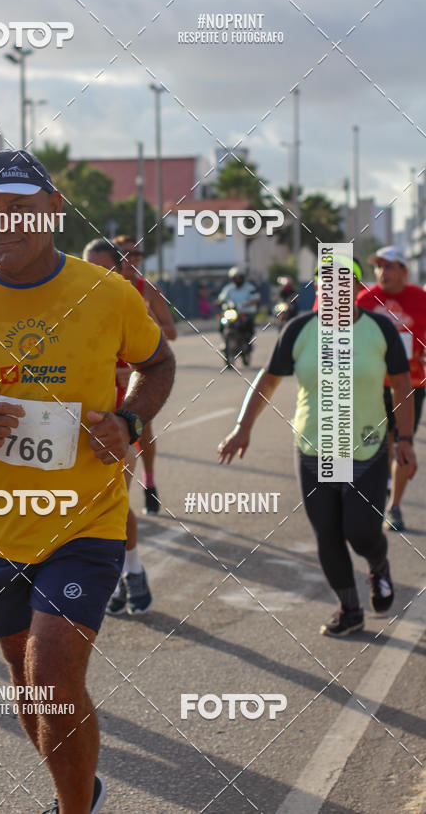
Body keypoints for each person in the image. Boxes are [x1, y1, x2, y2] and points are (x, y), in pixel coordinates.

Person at [0, 152, 175, 814]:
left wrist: (127, 418)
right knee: (29, 689)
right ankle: (80, 787)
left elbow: (159, 364)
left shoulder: (108, 293)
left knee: (53, 676)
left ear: (54, 207)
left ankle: (73, 809)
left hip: (85, 525)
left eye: (18, 207)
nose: (1, 224)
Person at [218, 257, 416, 637]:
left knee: (360, 531)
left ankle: (378, 565)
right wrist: (243, 427)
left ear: (357, 290)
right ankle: (349, 608)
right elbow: (268, 380)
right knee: (328, 532)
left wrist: (405, 439)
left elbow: (401, 386)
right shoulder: (300, 330)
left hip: (366, 448)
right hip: (315, 449)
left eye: (344, 282)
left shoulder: (379, 330)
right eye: (327, 283)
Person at [82, 238, 152, 615]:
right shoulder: (68, 309)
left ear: (120, 269)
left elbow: (154, 363)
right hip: (69, 430)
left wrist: (124, 370)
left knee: (114, 506)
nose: (95, 276)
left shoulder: (127, 307)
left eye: (103, 268)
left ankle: (132, 571)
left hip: (114, 426)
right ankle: (117, 575)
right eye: (88, 267)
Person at [356, 245, 426, 531]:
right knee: (379, 444)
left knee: (402, 443)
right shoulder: (364, 300)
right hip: (373, 385)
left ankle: (394, 506)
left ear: (404, 271)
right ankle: (381, 486)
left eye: (389, 266)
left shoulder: (420, 298)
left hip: (411, 384)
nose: (382, 272)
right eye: (379, 266)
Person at [114, 235, 177, 516]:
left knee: (141, 429)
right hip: (105, 369)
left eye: (137, 255)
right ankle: (111, 498)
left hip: (136, 372)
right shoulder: (102, 287)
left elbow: (172, 331)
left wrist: (147, 322)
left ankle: (149, 484)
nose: (132, 260)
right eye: (126, 254)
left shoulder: (148, 289)